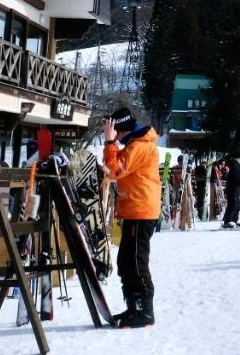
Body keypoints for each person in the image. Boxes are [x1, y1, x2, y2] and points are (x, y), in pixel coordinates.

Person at [102, 107, 159, 328]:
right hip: (135, 209)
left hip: (141, 210)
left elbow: (114, 171)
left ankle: (145, 311)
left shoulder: (139, 146)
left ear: (120, 129)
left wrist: (109, 143)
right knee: (126, 262)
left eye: (114, 131)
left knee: (135, 262)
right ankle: (135, 306)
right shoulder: (136, 144)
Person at [221, 151, 240, 228]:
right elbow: (235, 176)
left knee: (237, 204)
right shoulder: (235, 164)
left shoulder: (238, 165)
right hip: (233, 188)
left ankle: (234, 220)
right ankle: (228, 221)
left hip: (236, 187)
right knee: (233, 204)